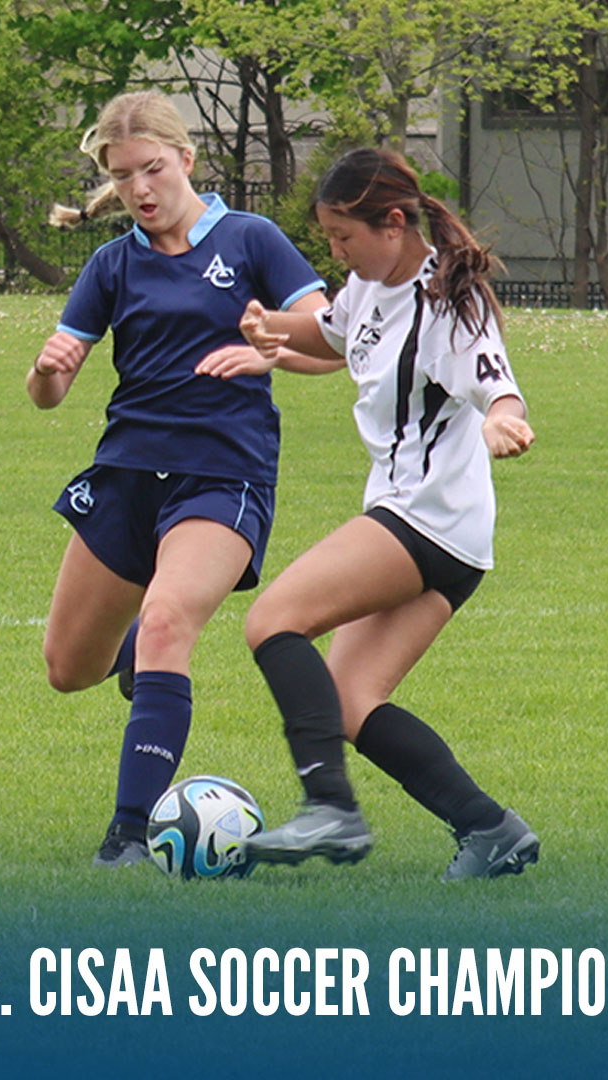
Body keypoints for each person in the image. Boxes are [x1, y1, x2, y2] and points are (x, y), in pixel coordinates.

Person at [196, 147, 540, 881]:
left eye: (343, 236)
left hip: (425, 518)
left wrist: (504, 421)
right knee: (350, 701)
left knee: (272, 619)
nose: (335, 252)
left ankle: (330, 809)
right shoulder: (367, 284)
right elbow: (333, 336)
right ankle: (490, 829)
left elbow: (495, 383)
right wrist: (271, 340)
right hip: (448, 536)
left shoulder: (450, 302)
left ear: (392, 222)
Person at [28, 91, 329, 868]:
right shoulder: (111, 264)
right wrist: (47, 373)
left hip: (223, 475)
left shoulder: (252, 240)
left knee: (166, 622)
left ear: (186, 160)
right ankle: (135, 661)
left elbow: (335, 340)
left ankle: (129, 834)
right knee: (69, 669)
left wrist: (269, 350)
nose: (140, 189)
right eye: (124, 176)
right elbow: (49, 393)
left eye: (152, 169)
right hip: (127, 474)